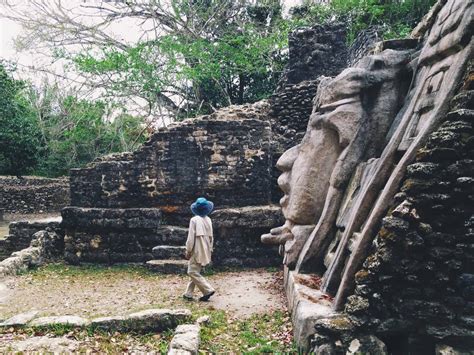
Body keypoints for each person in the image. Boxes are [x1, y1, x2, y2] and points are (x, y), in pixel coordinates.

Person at [182, 197, 216, 301]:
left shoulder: (194, 220)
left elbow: (190, 238)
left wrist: (188, 251)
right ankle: (188, 293)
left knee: (192, 272)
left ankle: (207, 289)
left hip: (197, 249)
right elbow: (211, 237)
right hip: (206, 248)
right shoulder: (208, 219)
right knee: (195, 270)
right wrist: (210, 249)